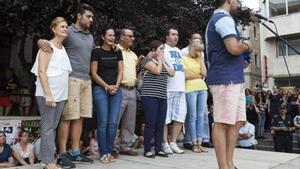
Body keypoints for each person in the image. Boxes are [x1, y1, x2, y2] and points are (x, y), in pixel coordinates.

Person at [38, 4, 95, 168]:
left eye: (92, 17)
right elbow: (50, 42)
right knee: (68, 117)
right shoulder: (67, 31)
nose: (91, 20)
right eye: (88, 16)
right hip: (71, 79)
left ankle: (75, 152)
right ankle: (62, 153)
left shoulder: (90, 36)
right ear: (79, 16)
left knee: (80, 117)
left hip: (86, 80)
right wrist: (39, 41)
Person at [205, 0, 253, 168]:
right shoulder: (222, 18)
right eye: (237, 1)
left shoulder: (224, 19)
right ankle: (223, 166)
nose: (238, 4)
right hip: (225, 79)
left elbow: (231, 52)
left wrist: (241, 60)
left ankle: (229, 163)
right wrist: (247, 46)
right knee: (222, 122)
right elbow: (233, 47)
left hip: (233, 77)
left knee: (237, 121)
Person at [32, 16, 72, 169]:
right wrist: (48, 94)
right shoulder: (47, 47)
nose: (65, 29)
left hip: (61, 95)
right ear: (54, 29)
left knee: (51, 127)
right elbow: (42, 71)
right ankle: (49, 162)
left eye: (66, 27)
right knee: (48, 127)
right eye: (62, 26)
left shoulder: (63, 49)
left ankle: (44, 160)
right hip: (48, 94)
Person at [91, 27, 123, 163]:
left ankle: (109, 152)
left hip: (116, 90)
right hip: (100, 89)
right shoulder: (96, 52)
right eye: (109, 35)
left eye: (113, 35)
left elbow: (121, 70)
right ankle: (103, 152)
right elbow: (93, 73)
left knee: (113, 123)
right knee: (103, 122)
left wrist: (116, 86)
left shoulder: (117, 51)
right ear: (103, 37)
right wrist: (106, 86)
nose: (112, 38)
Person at [141, 40, 175, 158]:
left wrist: (163, 61)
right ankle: (147, 149)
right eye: (161, 49)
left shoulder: (162, 62)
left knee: (160, 123)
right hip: (149, 96)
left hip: (162, 96)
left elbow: (172, 73)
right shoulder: (147, 61)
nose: (163, 51)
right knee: (150, 123)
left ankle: (158, 148)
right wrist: (160, 61)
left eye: (163, 49)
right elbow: (157, 71)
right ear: (153, 50)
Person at [114, 28, 140, 158]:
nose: (132, 38)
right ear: (122, 37)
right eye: (129, 36)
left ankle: (125, 146)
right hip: (120, 89)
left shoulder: (133, 55)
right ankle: (112, 146)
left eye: (132, 36)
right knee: (115, 119)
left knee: (129, 121)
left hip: (132, 89)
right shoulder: (115, 50)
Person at [162, 28, 187, 155]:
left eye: (177, 34)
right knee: (165, 118)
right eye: (173, 34)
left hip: (180, 88)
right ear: (167, 36)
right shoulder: (162, 49)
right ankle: (165, 143)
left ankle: (173, 142)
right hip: (167, 88)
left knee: (180, 117)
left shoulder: (178, 51)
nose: (176, 37)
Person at [183, 39, 210, 153]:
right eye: (197, 50)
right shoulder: (183, 58)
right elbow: (185, 75)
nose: (199, 53)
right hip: (190, 89)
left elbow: (204, 74)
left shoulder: (199, 59)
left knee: (200, 116)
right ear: (192, 48)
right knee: (192, 116)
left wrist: (201, 59)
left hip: (202, 89)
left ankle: (200, 142)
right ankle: (193, 142)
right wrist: (197, 76)